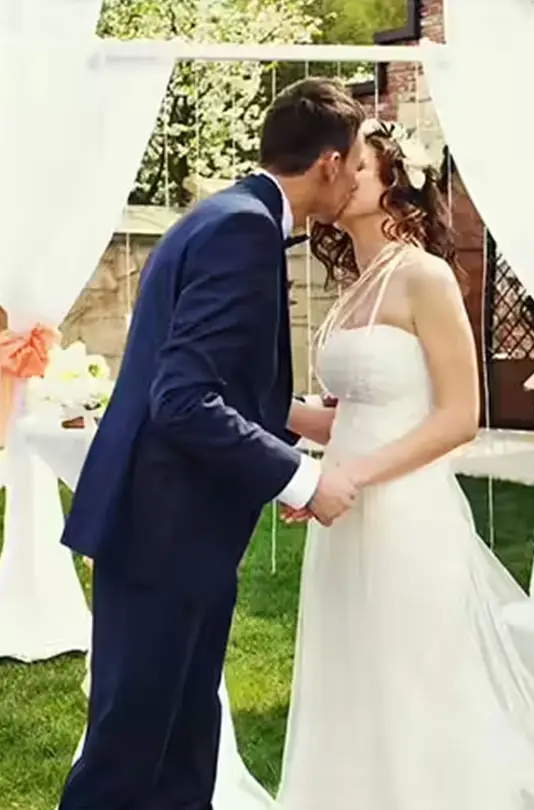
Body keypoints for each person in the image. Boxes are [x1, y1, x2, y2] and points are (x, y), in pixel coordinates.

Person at [273, 119, 534, 809]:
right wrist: (269, 409)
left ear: (394, 183)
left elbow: (458, 418)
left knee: (413, 676)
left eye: (361, 166)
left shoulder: (424, 278)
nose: (343, 174)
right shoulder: (354, 285)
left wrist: (353, 475)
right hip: (341, 508)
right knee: (352, 669)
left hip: (403, 511)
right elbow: (347, 417)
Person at [57, 77, 366, 810]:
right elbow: (184, 400)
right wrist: (301, 479)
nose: (356, 176)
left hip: (175, 529)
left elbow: (213, 379)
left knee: (183, 745)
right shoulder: (243, 231)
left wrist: (296, 417)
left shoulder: (231, 215)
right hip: (166, 528)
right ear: (327, 162)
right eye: (354, 162)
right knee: (129, 754)